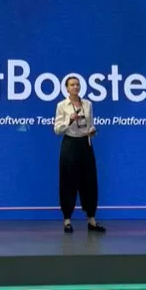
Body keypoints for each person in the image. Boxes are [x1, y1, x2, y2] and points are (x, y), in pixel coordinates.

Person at [53, 76, 105, 234]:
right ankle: (67, 220)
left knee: (89, 182)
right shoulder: (62, 105)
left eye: (77, 84)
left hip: (85, 144)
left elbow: (90, 124)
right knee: (68, 182)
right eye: (72, 85)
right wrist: (69, 121)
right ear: (67, 88)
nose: (75, 87)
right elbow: (57, 130)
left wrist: (92, 131)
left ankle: (91, 220)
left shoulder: (88, 104)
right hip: (70, 145)